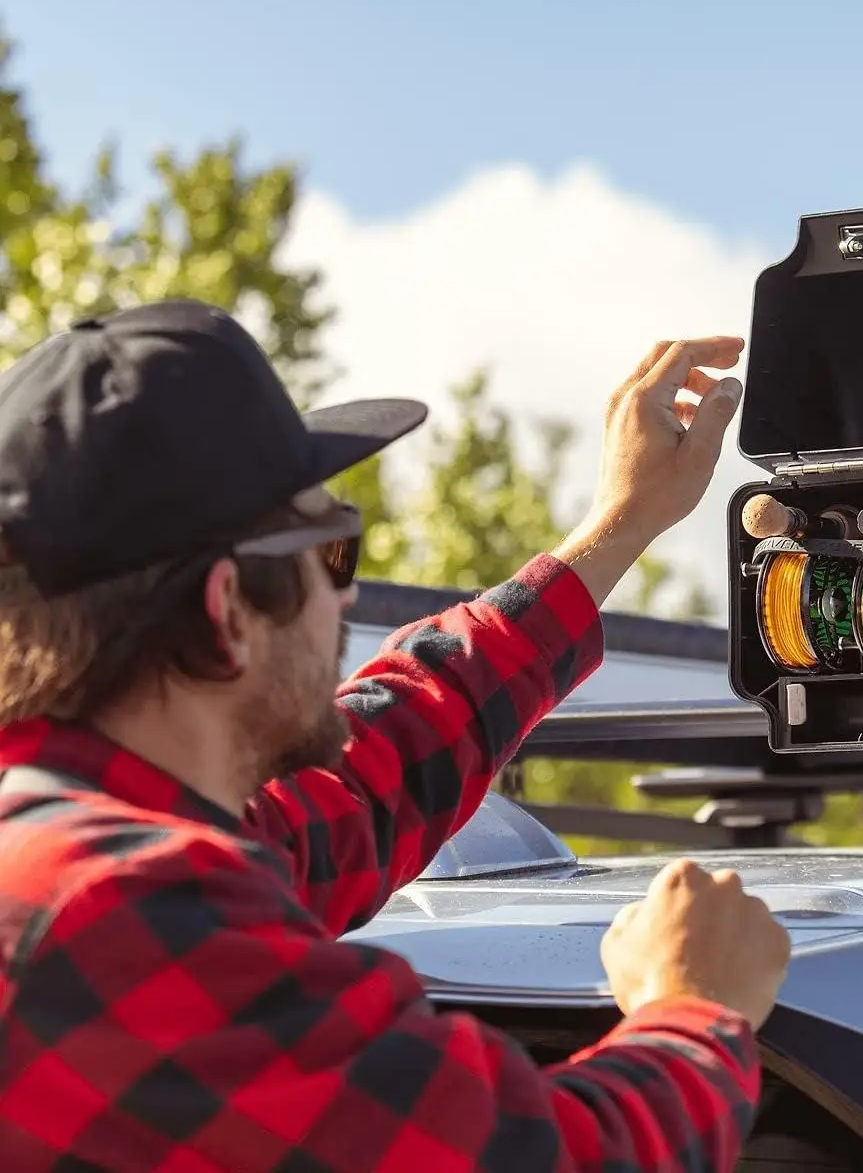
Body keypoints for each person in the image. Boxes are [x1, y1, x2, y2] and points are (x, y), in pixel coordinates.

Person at [0, 299, 791, 1172]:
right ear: (228, 611)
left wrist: (618, 524)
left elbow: (369, 783)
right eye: (334, 550)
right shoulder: (123, 913)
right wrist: (693, 1014)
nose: (346, 598)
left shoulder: (79, 843)